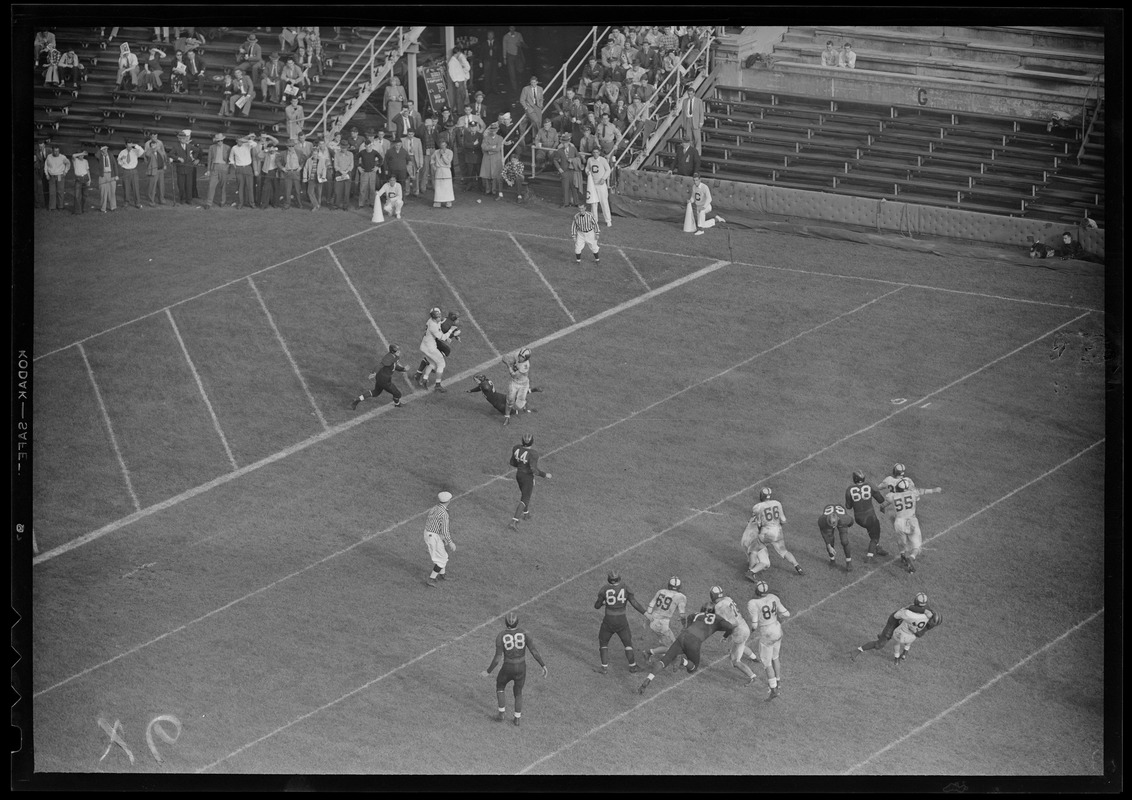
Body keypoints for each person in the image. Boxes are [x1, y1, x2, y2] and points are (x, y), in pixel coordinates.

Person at [637, 603, 734, 693]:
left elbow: (690, 616)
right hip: (694, 641)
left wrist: (688, 627)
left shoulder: (697, 615)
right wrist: (725, 636)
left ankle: (647, 680)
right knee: (693, 668)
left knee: (664, 661)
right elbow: (730, 627)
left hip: (683, 636)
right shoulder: (718, 619)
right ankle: (682, 661)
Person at [482, 612, 548, 727]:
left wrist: (488, 671)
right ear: (517, 622)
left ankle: (501, 714)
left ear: (505, 622)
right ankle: (517, 718)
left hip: (508, 666)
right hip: (521, 667)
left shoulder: (501, 636)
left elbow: (497, 658)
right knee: (518, 692)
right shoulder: (524, 633)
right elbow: (534, 651)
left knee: (500, 686)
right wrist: (543, 665)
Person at [852, 593, 941, 664]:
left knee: (905, 638)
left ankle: (893, 644)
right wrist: (920, 612)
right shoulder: (919, 614)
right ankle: (858, 650)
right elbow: (896, 615)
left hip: (904, 622)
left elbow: (920, 633)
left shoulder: (927, 618)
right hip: (895, 620)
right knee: (879, 645)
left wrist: (915, 630)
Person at [742, 487, 804, 579]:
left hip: (766, 532)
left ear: (761, 496)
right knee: (784, 551)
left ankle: (751, 571)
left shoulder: (757, 507)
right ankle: (797, 566)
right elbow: (783, 521)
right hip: (778, 532)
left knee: (754, 550)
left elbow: (758, 524)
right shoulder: (777, 503)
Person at [594, 568, 646, 674]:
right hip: (621, 620)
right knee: (627, 643)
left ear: (609, 579)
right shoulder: (625, 588)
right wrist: (646, 613)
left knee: (603, 643)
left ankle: (604, 668)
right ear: (619, 578)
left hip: (608, 620)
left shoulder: (604, 589)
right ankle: (633, 666)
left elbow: (597, 606)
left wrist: (604, 602)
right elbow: (634, 603)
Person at [747, 580, 791, 700]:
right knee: (775, 657)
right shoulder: (773, 597)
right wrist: (776, 618)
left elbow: (755, 625)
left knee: (767, 664)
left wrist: (751, 631)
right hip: (777, 629)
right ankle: (778, 681)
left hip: (767, 633)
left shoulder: (753, 603)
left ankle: (773, 690)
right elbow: (786, 613)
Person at [707, 586, 760, 683]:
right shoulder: (728, 599)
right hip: (744, 626)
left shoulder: (719, 607)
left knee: (735, 661)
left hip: (738, 631)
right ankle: (754, 658)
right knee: (740, 645)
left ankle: (753, 676)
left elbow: (731, 625)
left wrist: (725, 636)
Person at [888, 479, 943, 574]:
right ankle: (911, 557)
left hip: (899, 521)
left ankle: (903, 556)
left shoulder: (892, 496)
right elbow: (922, 491)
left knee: (902, 542)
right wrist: (934, 490)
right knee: (917, 546)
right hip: (911, 521)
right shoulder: (913, 493)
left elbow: (887, 500)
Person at [507, 432, 551, 531]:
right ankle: (514, 521)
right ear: (532, 442)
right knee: (525, 499)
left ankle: (526, 514)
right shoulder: (533, 453)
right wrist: (545, 475)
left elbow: (512, 463)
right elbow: (534, 470)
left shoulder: (516, 447)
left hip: (519, 475)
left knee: (525, 494)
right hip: (527, 477)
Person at [845, 470, 889, 564]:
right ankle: (869, 556)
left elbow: (848, 507)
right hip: (870, 516)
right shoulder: (869, 485)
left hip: (859, 518)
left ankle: (877, 548)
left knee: (871, 530)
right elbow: (880, 499)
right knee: (875, 536)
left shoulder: (849, 489)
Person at [643, 577, 688, 666]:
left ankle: (665, 653)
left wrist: (647, 619)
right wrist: (684, 625)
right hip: (661, 624)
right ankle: (648, 652)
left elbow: (651, 604)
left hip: (654, 620)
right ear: (679, 587)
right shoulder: (681, 597)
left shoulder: (661, 591)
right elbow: (682, 615)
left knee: (668, 642)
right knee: (672, 646)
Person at [350, 344, 408, 411]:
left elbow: (394, 366)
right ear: (392, 352)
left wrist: (402, 369)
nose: (399, 352)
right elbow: (380, 365)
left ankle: (357, 399)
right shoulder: (388, 358)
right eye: (397, 351)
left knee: (376, 392)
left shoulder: (394, 356)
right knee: (398, 394)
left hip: (380, 377)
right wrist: (374, 372)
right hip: (385, 380)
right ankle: (397, 404)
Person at [418, 307, 459, 392]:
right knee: (441, 364)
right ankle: (438, 385)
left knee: (432, 363)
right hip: (430, 348)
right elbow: (442, 337)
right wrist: (451, 331)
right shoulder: (433, 326)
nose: (439, 318)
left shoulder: (431, 321)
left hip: (425, 345)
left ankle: (424, 380)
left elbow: (439, 325)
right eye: (438, 317)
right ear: (434, 317)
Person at [424, 491, 456, 587]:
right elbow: (445, 530)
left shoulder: (435, 508)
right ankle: (431, 578)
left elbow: (433, 522)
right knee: (441, 559)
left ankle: (442, 575)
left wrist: (441, 537)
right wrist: (451, 543)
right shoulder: (444, 514)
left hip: (430, 533)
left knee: (443, 556)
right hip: (433, 536)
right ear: (448, 500)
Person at [818, 502, 855, 572]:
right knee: (830, 540)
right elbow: (824, 533)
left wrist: (845, 528)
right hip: (831, 518)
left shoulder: (844, 519)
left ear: (838, 519)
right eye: (831, 524)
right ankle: (832, 560)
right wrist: (828, 545)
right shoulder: (822, 520)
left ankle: (848, 562)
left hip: (841, 522)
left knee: (844, 541)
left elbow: (851, 522)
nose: (833, 527)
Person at [502, 347, 535, 424]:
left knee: (518, 406)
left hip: (523, 384)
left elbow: (513, 375)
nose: (520, 357)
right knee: (510, 400)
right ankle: (507, 418)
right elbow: (507, 357)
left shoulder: (525, 366)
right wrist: (506, 358)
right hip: (514, 382)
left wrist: (508, 364)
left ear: (526, 358)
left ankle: (524, 403)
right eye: (520, 355)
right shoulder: (517, 355)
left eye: (522, 357)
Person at [584, 147, 613, 227]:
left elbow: (608, 170)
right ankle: (594, 220)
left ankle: (608, 220)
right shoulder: (590, 160)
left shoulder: (603, 160)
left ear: (599, 153)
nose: (595, 154)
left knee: (604, 202)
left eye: (597, 152)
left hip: (601, 185)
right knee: (594, 203)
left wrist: (603, 178)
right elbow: (587, 168)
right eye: (594, 152)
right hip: (593, 185)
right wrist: (587, 172)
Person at [671, 84, 705, 151]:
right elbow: (683, 113)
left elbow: (701, 112)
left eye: (691, 94)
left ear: (694, 93)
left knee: (697, 139)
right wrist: (683, 123)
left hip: (695, 120)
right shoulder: (685, 101)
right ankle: (690, 152)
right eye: (689, 94)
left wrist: (701, 122)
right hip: (688, 120)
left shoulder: (699, 101)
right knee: (689, 138)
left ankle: (698, 154)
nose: (690, 96)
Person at [554, 133, 582, 207]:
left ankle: (576, 202)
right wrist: (559, 168)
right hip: (564, 171)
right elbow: (555, 160)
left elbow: (578, 157)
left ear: (569, 142)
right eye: (563, 142)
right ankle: (566, 203)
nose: (565, 144)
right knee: (565, 187)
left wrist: (573, 160)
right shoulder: (559, 151)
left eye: (566, 142)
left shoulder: (573, 149)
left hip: (572, 171)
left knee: (574, 187)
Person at [117, 139, 145, 209]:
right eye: (128, 146)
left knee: (136, 187)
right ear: (125, 145)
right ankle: (126, 202)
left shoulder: (135, 151)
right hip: (126, 171)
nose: (130, 147)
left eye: (131, 145)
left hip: (134, 171)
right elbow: (119, 163)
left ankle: (137, 203)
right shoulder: (122, 152)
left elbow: (142, 151)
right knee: (126, 187)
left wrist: (135, 145)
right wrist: (121, 160)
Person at [480, 121, 505, 198]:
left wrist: (489, 149)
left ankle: (494, 190)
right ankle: (488, 190)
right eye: (492, 130)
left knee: (494, 175)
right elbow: (483, 146)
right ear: (490, 130)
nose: (493, 132)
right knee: (487, 175)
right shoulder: (486, 138)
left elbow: (498, 149)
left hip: (495, 159)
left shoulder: (500, 138)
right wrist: (492, 147)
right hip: (487, 158)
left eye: (495, 130)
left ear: (497, 130)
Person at [144, 133, 169, 206]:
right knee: (152, 187)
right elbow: (147, 155)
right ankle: (151, 201)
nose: (155, 146)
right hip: (153, 171)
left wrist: (165, 164)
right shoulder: (149, 152)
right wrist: (152, 149)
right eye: (152, 145)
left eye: (155, 145)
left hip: (161, 170)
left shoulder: (160, 150)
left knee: (161, 186)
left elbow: (164, 156)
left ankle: (161, 199)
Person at [43, 145, 70, 210]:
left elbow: (68, 164)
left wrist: (65, 172)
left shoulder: (63, 157)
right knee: (52, 192)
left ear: (59, 151)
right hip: (51, 176)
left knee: (60, 191)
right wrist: (46, 174)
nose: (56, 153)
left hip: (60, 176)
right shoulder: (49, 157)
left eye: (57, 151)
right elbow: (46, 166)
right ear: (52, 151)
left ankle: (60, 206)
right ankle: (52, 207)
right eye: (55, 151)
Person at [93, 145, 119, 212]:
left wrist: (116, 175)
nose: (105, 150)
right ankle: (103, 208)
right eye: (103, 149)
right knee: (103, 192)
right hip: (103, 175)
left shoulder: (110, 155)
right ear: (101, 150)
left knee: (112, 192)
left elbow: (114, 165)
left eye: (106, 149)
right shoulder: (100, 156)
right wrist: (100, 150)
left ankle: (113, 207)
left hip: (111, 174)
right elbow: (97, 154)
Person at [502, 26, 527, 93]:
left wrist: (520, 44)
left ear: (515, 28)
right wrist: (504, 58)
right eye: (510, 28)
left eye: (513, 28)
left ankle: (520, 86)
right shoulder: (506, 37)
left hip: (518, 56)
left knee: (520, 71)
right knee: (512, 73)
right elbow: (504, 48)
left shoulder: (519, 35)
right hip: (510, 56)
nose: (512, 29)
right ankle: (515, 88)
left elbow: (524, 44)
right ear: (509, 28)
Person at [478, 30, 503, 94]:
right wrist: (480, 61)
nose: (490, 36)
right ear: (487, 36)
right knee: (487, 76)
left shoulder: (497, 43)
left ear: (493, 35)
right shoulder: (484, 43)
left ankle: (495, 89)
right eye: (489, 35)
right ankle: (486, 90)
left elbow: (499, 53)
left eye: (491, 35)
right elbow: (481, 53)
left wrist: (500, 61)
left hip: (494, 61)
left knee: (494, 76)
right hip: (486, 61)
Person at [70, 150, 91, 214]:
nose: (81, 156)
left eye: (83, 155)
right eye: (80, 155)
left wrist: (89, 179)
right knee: (77, 195)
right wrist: (81, 153)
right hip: (78, 179)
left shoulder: (85, 161)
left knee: (85, 195)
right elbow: (73, 155)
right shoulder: (75, 160)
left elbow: (87, 170)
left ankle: (84, 209)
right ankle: (77, 211)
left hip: (85, 178)